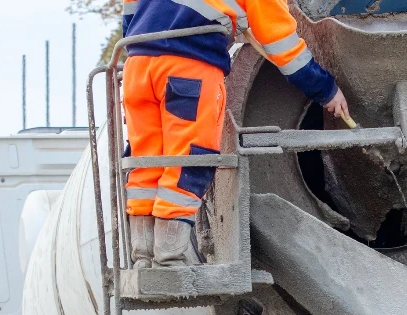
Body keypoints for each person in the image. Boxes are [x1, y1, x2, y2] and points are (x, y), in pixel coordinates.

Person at [122, 0, 350, 267]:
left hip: (136, 66)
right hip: (188, 67)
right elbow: (282, 43)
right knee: (190, 159)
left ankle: (143, 255)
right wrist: (325, 89)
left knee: (145, 159)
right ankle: (169, 257)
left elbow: (129, 12)